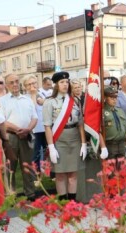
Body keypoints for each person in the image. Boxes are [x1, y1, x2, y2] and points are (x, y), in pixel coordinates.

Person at [43, 71, 87, 201]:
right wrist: (51, 146)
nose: (65, 85)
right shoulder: (49, 102)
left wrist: (84, 143)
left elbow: (80, 124)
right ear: (56, 84)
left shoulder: (75, 100)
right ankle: (63, 203)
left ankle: (72, 202)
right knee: (60, 174)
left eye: (67, 82)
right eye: (62, 82)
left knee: (73, 174)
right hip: (59, 139)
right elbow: (47, 126)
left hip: (74, 138)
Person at [0, 74, 38, 199]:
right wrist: (18, 130)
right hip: (11, 137)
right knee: (10, 167)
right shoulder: (2, 101)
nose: (15, 84)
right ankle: (10, 194)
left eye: (16, 81)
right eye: (11, 82)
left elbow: (35, 117)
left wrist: (28, 129)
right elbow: (2, 121)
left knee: (28, 165)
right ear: (6, 85)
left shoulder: (27, 99)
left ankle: (30, 192)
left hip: (26, 135)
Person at [22, 75, 47, 172]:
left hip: (46, 127)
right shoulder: (25, 98)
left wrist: (44, 101)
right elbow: (31, 110)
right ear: (25, 87)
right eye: (29, 84)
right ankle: (36, 173)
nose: (32, 86)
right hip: (35, 129)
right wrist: (33, 95)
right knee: (35, 152)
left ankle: (48, 172)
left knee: (47, 151)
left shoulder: (43, 94)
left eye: (34, 83)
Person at [100, 86, 126, 160]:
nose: (114, 100)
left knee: (123, 169)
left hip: (122, 144)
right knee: (110, 170)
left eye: (115, 97)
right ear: (105, 98)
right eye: (111, 98)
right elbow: (98, 131)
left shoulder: (120, 111)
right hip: (110, 145)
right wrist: (103, 147)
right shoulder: (102, 112)